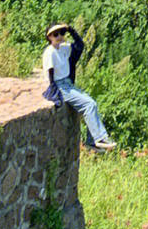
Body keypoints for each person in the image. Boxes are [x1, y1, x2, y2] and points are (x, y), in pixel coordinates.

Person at [42, 23, 117, 151]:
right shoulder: (50, 52)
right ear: (49, 37)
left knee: (92, 104)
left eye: (61, 33)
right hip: (61, 86)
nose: (59, 36)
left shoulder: (64, 48)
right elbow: (50, 73)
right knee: (89, 104)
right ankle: (99, 139)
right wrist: (54, 91)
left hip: (68, 84)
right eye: (55, 34)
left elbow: (80, 46)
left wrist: (70, 30)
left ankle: (92, 140)